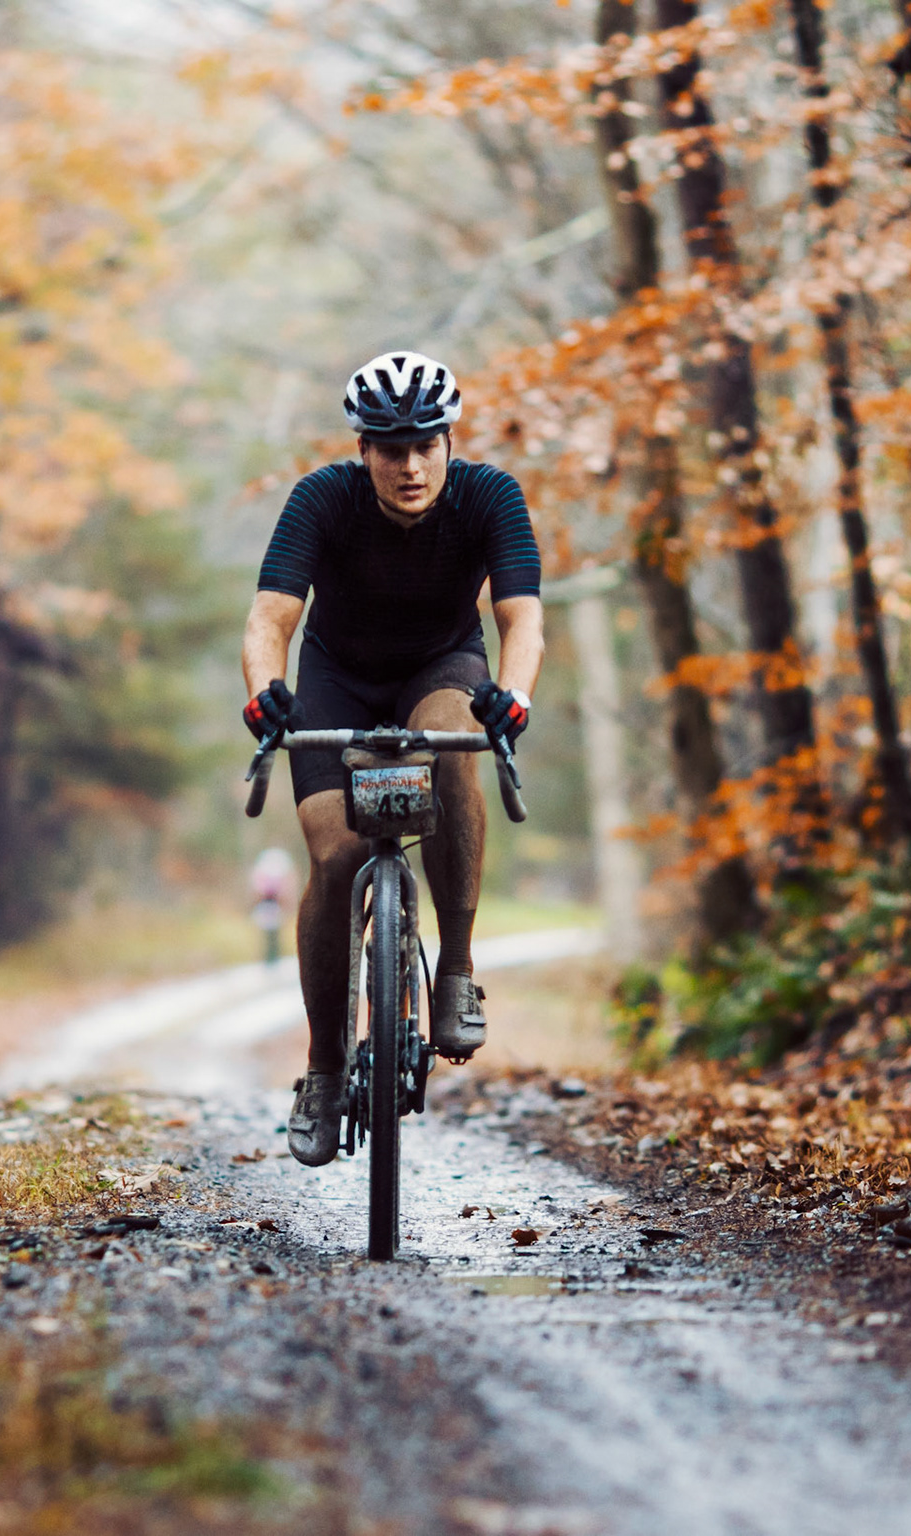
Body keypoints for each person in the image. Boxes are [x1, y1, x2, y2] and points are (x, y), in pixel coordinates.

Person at [240, 351, 544, 1167]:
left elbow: (521, 618)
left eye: (425, 446)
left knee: (453, 748)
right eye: (391, 449)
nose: (410, 466)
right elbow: (270, 617)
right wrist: (265, 692)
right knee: (336, 856)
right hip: (337, 679)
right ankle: (323, 1072)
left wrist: (514, 695)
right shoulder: (323, 499)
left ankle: (457, 972)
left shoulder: (490, 496)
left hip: (442, 667)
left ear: (449, 443)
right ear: (363, 450)